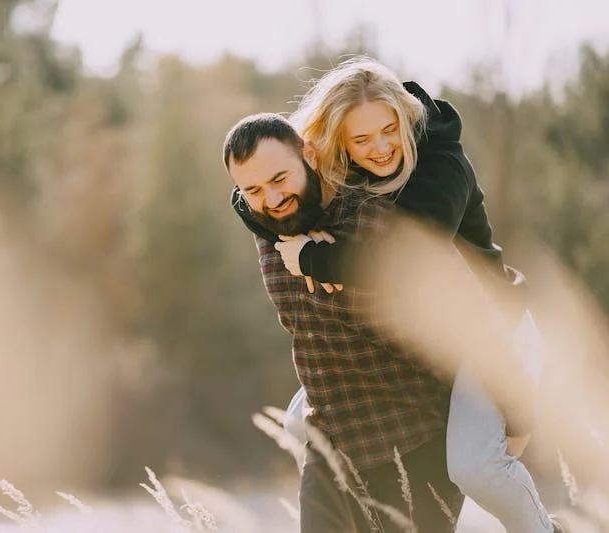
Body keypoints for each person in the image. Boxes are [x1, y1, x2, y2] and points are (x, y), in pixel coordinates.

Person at [229, 57, 566, 532]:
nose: (380, 148)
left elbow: (403, 261)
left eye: (389, 130)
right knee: (297, 421)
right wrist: (269, 211)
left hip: (495, 327)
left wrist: (311, 259)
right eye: (361, 139)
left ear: (405, 119)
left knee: (475, 467)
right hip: (437, 325)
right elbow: (264, 193)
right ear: (336, 143)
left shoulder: (439, 167)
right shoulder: (339, 172)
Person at [223, 112, 464, 532]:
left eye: (280, 179)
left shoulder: (368, 219)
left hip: (414, 438)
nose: (272, 198)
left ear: (310, 157)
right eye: (254, 190)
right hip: (332, 441)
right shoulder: (267, 226)